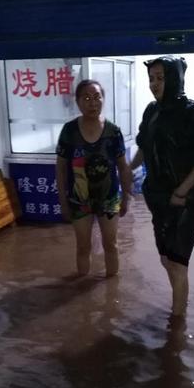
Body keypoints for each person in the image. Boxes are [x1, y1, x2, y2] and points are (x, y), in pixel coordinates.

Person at [130, 56, 194, 316]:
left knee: (178, 261)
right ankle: (178, 304)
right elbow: (144, 147)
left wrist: (182, 191)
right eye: (151, 79)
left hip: (187, 198)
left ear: (176, 78)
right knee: (165, 257)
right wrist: (129, 169)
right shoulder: (152, 111)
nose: (155, 84)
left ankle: (177, 323)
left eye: (161, 78)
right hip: (158, 195)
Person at [56, 80, 132, 277]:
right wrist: (63, 202)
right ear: (78, 102)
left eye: (97, 97)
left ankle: (111, 293)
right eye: (87, 98)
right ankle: (80, 295)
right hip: (79, 199)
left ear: (103, 99)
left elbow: (123, 167)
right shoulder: (69, 131)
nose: (93, 102)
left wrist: (126, 197)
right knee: (82, 246)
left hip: (109, 198)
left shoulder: (113, 131)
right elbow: (61, 169)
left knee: (111, 245)